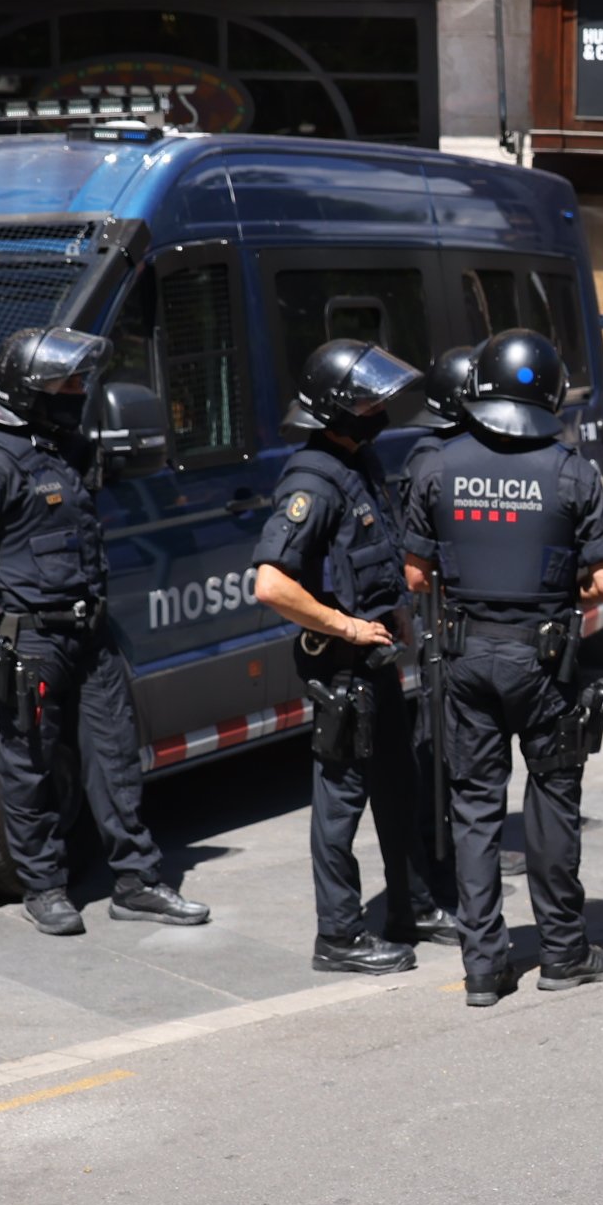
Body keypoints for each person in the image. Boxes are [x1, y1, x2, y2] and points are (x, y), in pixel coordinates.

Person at [0, 328, 209, 938]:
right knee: (28, 763)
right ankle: (44, 887)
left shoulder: (61, 449)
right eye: (68, 382)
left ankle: (137, 882)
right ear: (30, 391)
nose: (79, 391)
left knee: (115, 759)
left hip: (91, 635)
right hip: (29, 642)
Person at [402, 327, 603, 1005]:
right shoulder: (572, 471)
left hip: (465, 655)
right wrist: (560, 595)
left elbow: (416, 574)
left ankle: (483, 967)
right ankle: (562, 953)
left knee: (474, 807)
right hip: (544, 659)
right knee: (552, 799)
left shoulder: (435, 464)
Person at [253, 339, 438, 975]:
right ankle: (338, 935)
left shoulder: (356, 462)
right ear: (334, 410)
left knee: (398, 785)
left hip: (376, 665)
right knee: (341, 800)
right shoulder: (313, 480)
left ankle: (411, 906)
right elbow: (272, 583)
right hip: (342, 669)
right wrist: (348, 629)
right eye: (364, 400)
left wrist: (396, 617)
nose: (377, 409)